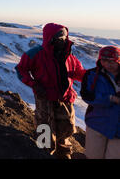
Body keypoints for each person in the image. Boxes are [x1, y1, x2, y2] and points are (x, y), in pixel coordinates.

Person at [15, 23, 86, 159]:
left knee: (67, 126)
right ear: (49, 38)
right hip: (44, 96)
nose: (63, 39)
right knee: (44, 124)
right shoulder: (36, 53)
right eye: (59, 37)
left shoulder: (68, 55)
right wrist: (33, 84)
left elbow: (77, 72)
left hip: (65, 97)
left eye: (65, 36)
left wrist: (96, 76)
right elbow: (21, 69)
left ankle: (63, 153)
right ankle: (43, 153)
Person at [81, 45, 120, 159]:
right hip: (97, 123)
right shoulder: (92, 75)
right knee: (93, 156)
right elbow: (87, 96)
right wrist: (111, 99)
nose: (107, 64)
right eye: (104, 60)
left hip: (118, 127)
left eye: (111, 61)